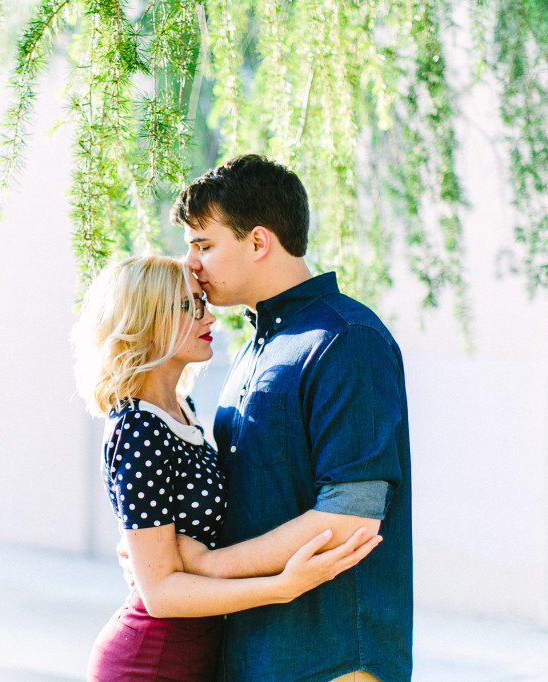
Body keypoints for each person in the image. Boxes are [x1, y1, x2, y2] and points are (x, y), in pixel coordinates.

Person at [72, 254, 382, 682]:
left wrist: (201, 560)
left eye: (201, 301)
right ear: (144, 320)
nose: (208, 316)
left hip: (202, 654)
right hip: (150, 662)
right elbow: (159, 594)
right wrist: (280, 587)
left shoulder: (181, 410)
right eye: (187, 306)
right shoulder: (136, 428)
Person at [163, 154, 414, 681]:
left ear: (258, 241)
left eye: (204, 245)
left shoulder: (346, 339)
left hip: (331, 659)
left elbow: (349, 520)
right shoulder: (254, 348)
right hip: (254, 653)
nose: (191, 265)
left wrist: (206, 565)